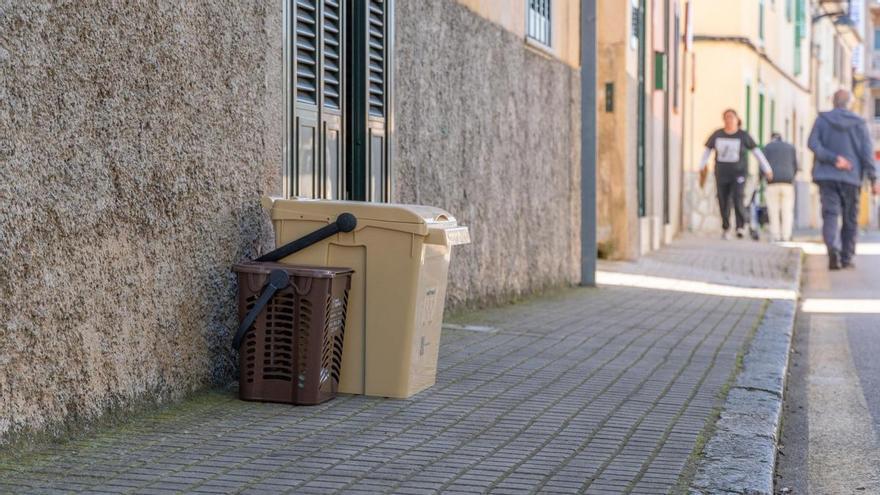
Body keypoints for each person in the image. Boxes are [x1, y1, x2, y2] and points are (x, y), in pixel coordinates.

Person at [807, 89, 880, 270]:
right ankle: (846, 257)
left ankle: (832, 246)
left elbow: (812, 143)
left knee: (830, 214)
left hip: (827, 175)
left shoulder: (822, 120)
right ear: (849, 103)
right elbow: (866, 154)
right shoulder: (859, 123)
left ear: (833, 101)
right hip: (851, 178)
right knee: (850, 219)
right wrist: (873, 179)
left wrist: (832, 159)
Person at [699, 109, 774, 240]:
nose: (729, 120)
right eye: (727, 117)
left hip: (739, 173)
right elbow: (707, 151)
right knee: (723, 200)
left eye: (732, 117)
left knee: (738, 198)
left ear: (737, 120)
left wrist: (767, 168)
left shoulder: (743, 135)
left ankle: (740, 226)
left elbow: (757, 152)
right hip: (721, 172)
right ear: (724, 120)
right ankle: (726, 227)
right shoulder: (718, 134)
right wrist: (701, 166)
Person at [762, 132, 799, 242]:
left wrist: (761, 178)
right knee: (787, 210)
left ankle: (775, 235)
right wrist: (791, 176)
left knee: (773, 210)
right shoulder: (790, 147)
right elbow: (795, 165)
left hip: (772, 182)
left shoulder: (768, 147)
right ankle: (786, 236)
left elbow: (763, 165)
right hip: (787, 182)